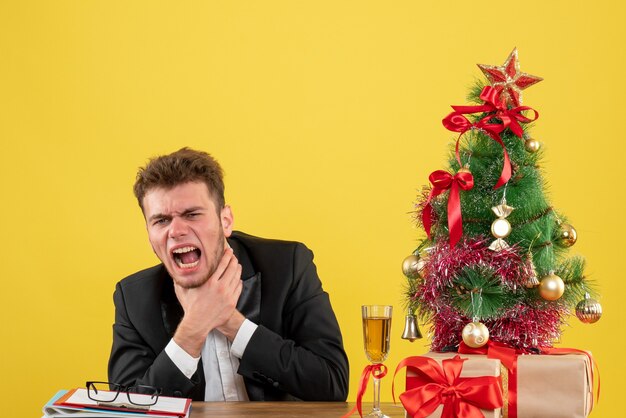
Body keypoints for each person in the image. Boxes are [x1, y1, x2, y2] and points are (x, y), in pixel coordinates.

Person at [108, 148, 349, 401]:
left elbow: (331, 384)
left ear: (225, 220)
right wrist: (193, 328)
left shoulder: (288, 266)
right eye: (161, 221)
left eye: (192, 214)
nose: (176, 230)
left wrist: (231, 322)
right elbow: (128, 409)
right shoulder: (133, 298)